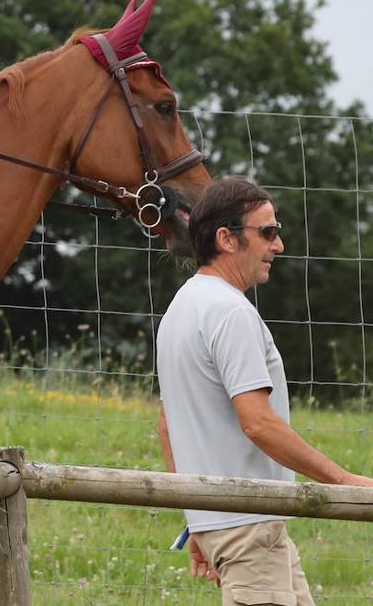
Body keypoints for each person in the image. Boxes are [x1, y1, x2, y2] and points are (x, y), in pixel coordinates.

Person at [156, 177, 373, 605]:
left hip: (237, 526)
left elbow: (168, 427)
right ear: (226, 239)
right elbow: (257, 423)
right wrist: (344, 481)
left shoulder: (181, 307)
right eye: (267, 232)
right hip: (249, 528)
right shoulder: (230, 312)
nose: (279, 245)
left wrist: (197, 519)